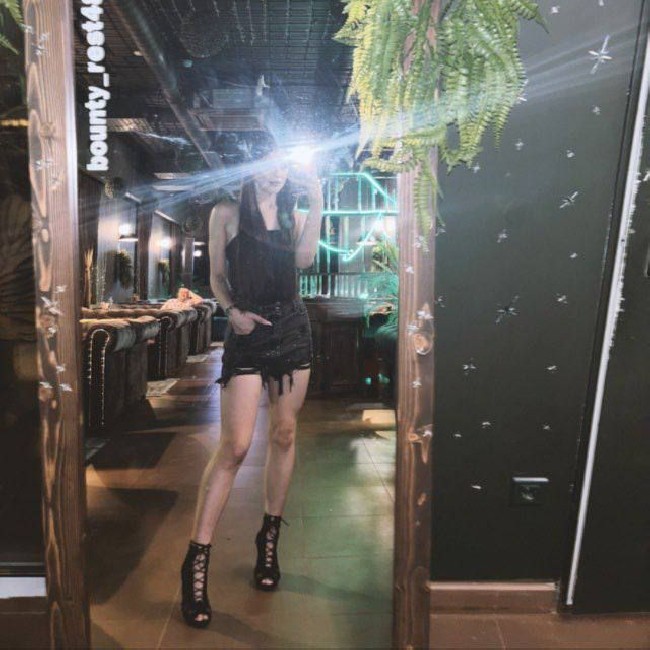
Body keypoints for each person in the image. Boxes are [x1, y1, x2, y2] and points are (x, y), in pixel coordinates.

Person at [180, 134, 323, 628]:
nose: (277, 174)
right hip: (246, 331)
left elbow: (304, 261)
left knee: (284, 434)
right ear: (251, 166)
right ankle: (196, 559)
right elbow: (217, 277)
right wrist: (232, 312)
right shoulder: (225, 213)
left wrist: (317, 200)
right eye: (269, 165)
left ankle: (269, 539)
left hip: (291, 331)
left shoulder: (292, 215)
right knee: (236, 446)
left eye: (284, 166)